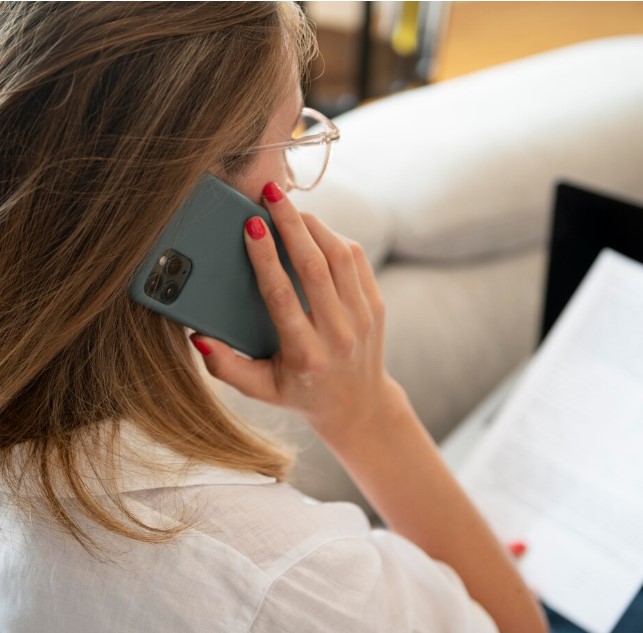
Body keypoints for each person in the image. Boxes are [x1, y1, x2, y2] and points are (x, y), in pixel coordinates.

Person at [0, 2, 548, 632]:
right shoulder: (283, 578)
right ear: (185, 203)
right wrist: (366, 412)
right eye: (286, 142)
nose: (291, 183)